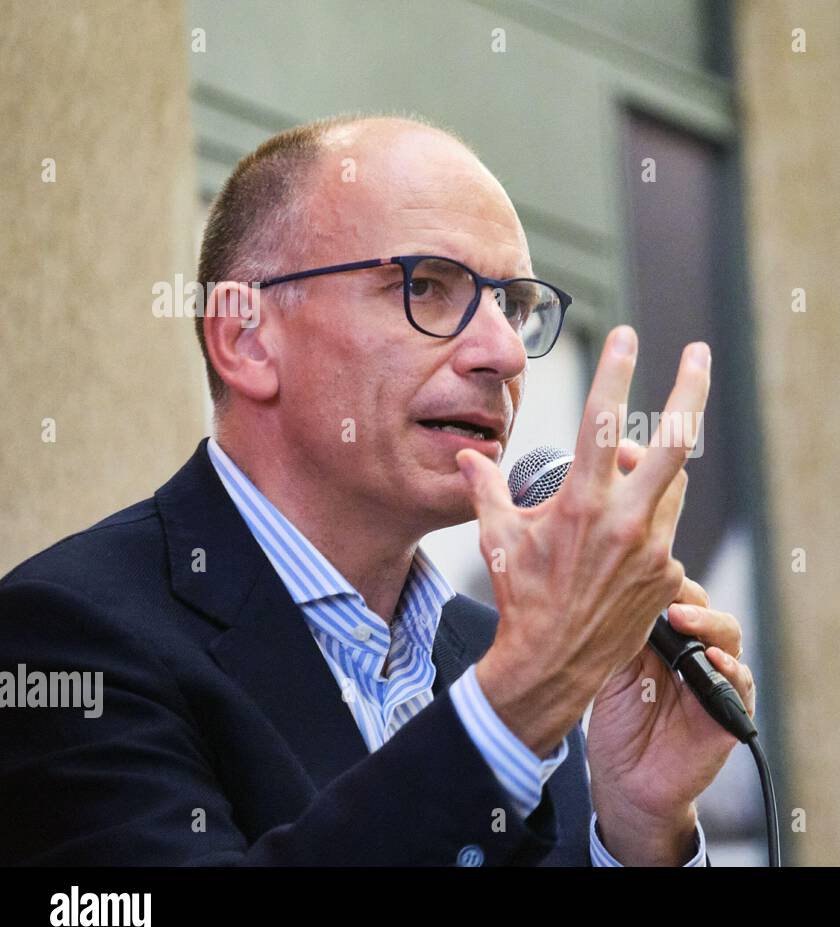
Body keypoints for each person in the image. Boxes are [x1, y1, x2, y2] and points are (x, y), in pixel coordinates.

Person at [0, 115, 756, 866]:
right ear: (246, 339)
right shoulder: (67, 638)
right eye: (425, 287)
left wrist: (635, 832)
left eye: (514, 307)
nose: (500, 353)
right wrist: (520, 702)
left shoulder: (493, 651)